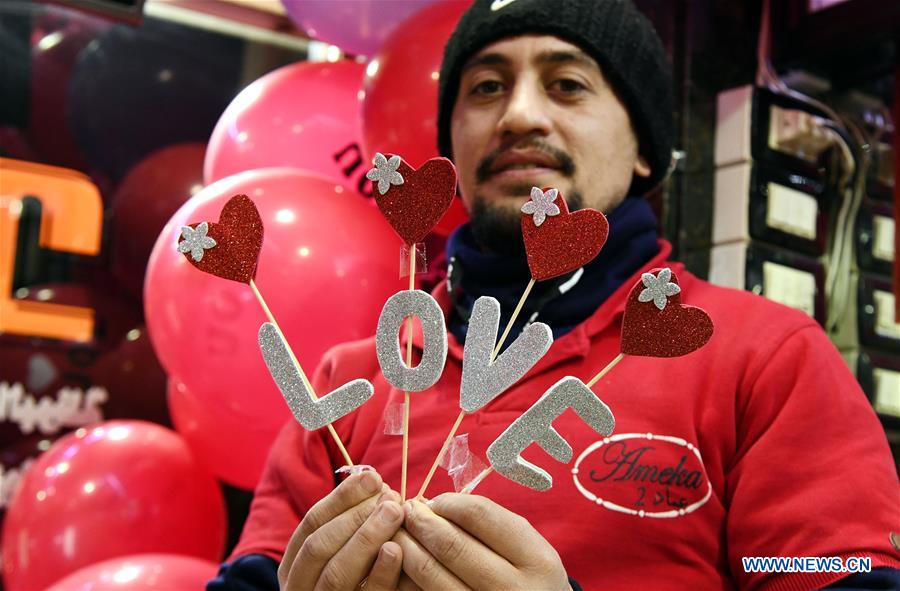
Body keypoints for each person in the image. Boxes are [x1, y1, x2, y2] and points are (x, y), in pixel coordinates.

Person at [209, 0, 900, 589]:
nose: (519, 114)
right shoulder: (349, 382)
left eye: (567, 84)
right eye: (484, 88)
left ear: (644, 149)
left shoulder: (767, 358)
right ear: (450, 140)